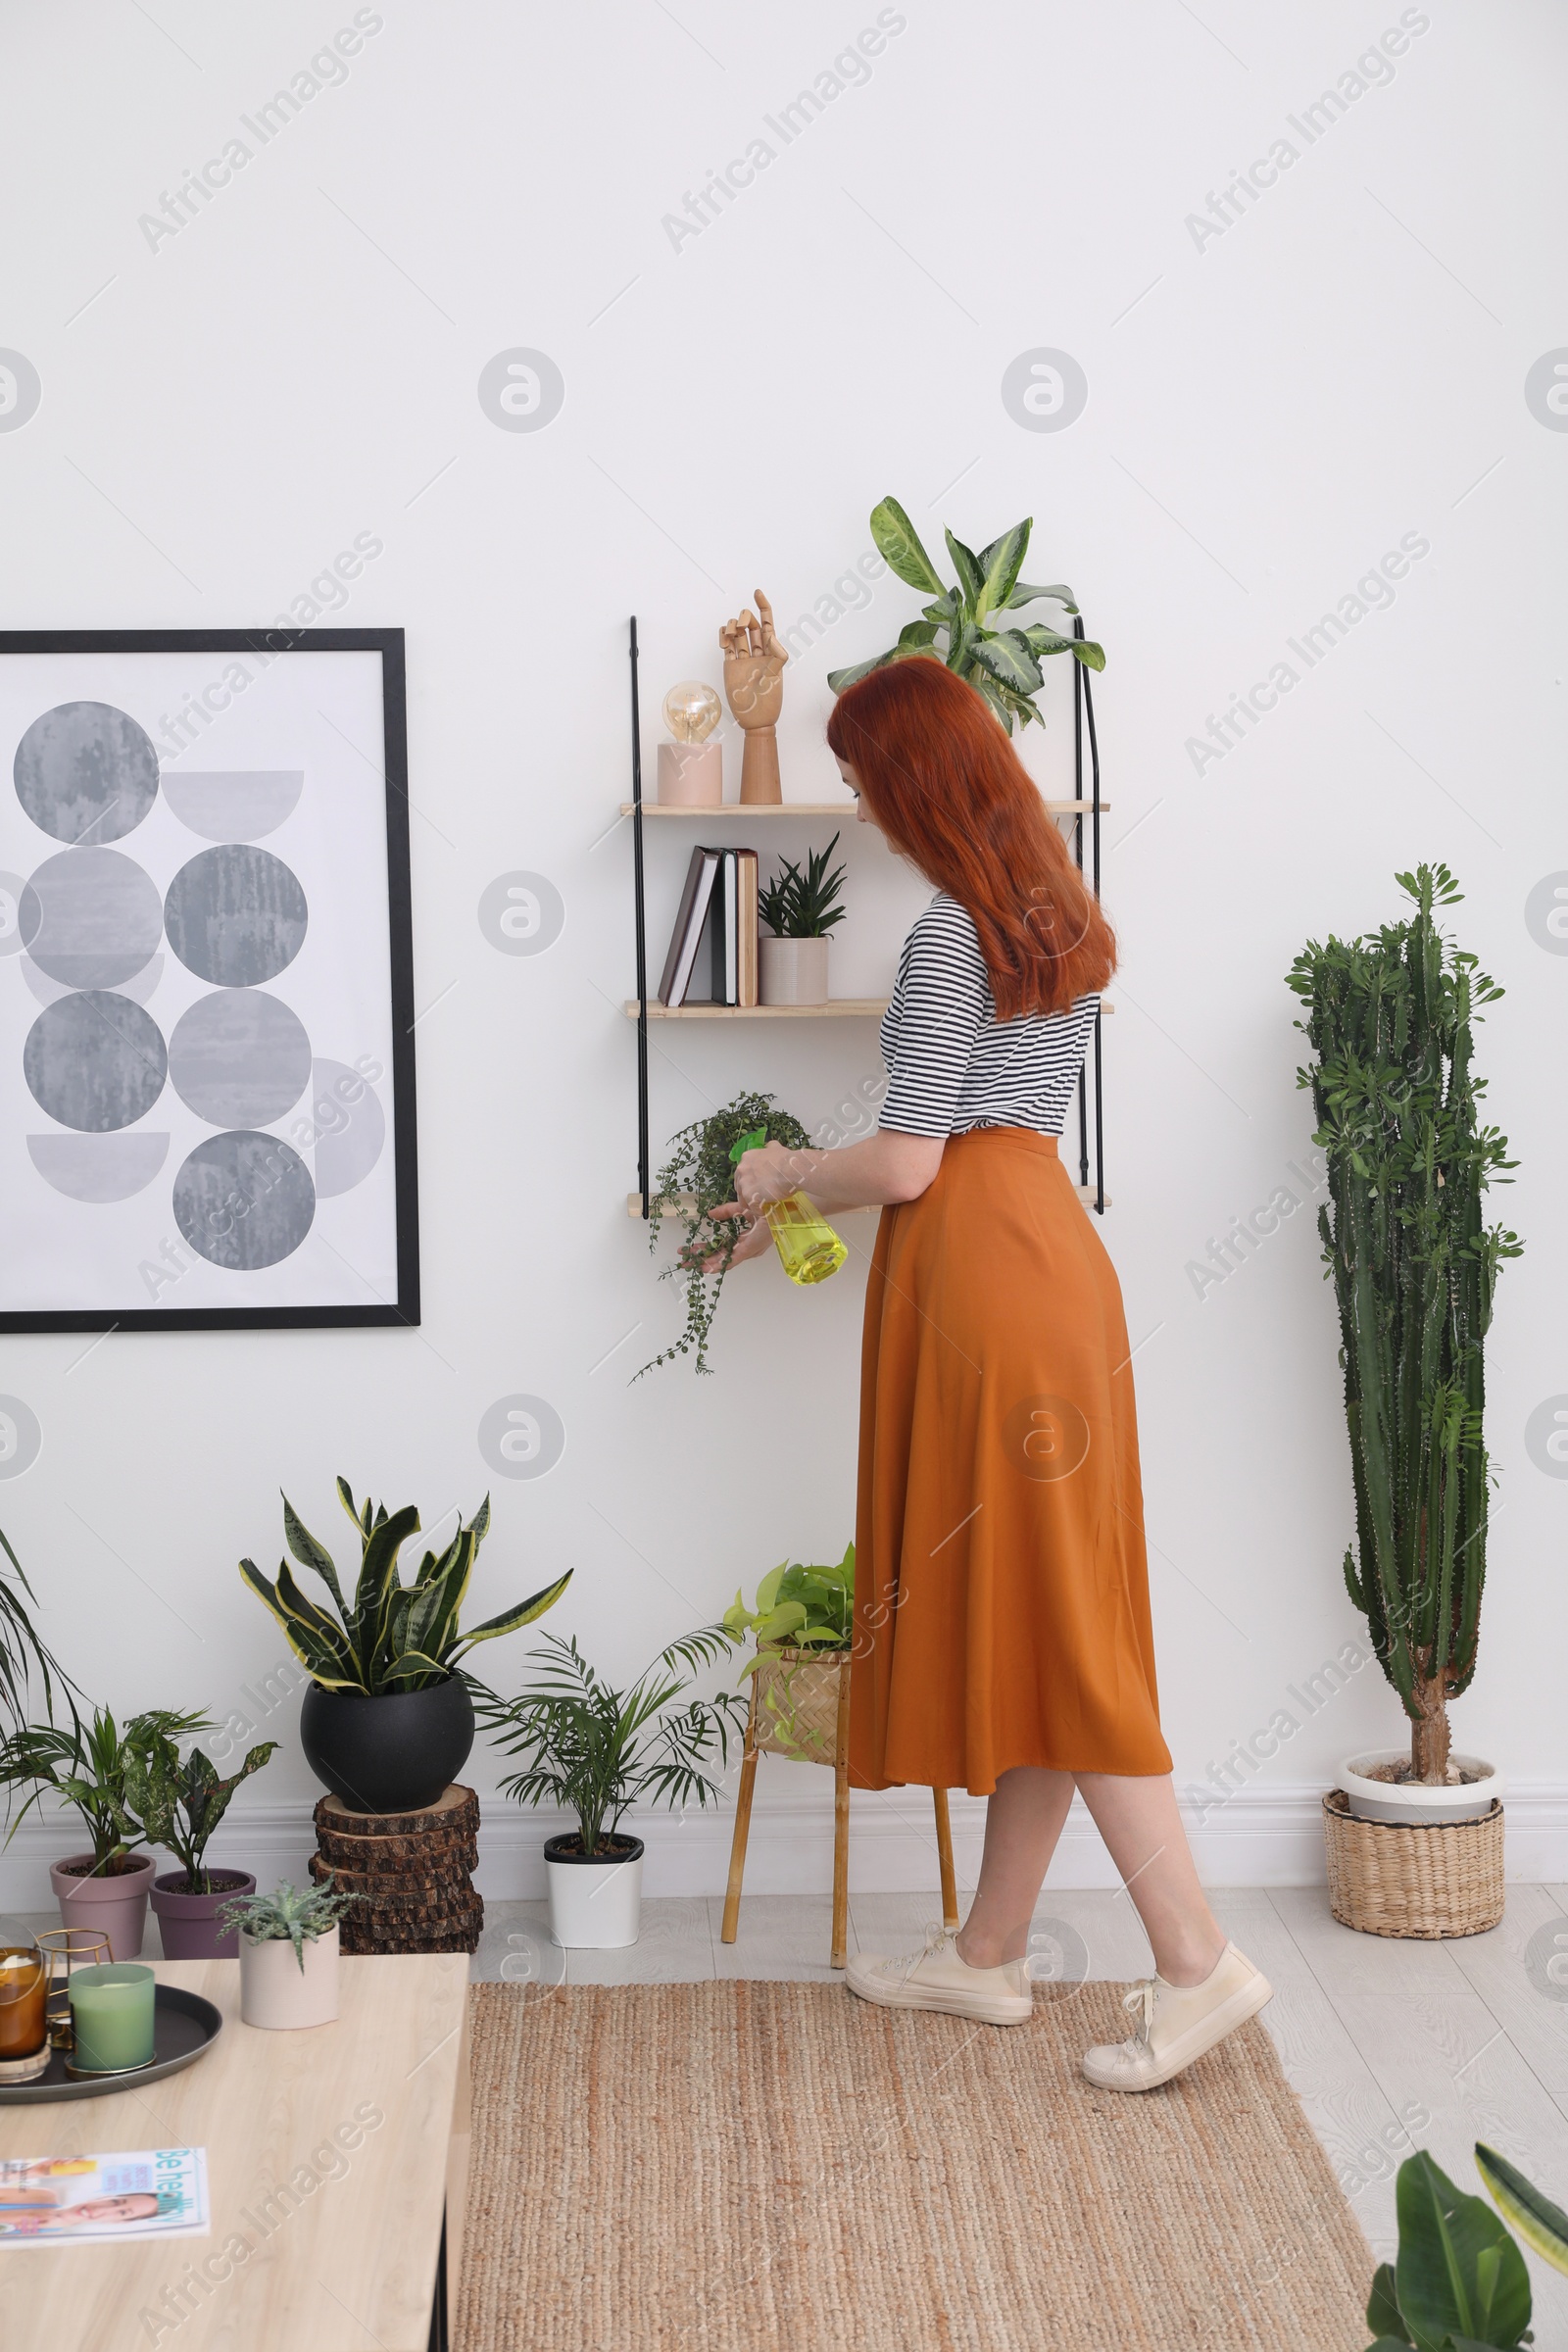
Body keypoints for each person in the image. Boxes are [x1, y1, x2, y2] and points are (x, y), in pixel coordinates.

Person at [715, 657, 1272, 2091]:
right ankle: (988, 1955)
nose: (858, 803)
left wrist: (780, 1168)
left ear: (915, 780)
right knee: (1052, 1614)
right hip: (1053, 1267)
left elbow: (904, 1161)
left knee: (1072, 1644)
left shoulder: (947, 939)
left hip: (982, 1280)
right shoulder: (1053, 918)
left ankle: (1199, 1965)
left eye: (862, 776)